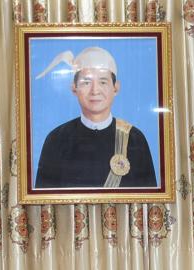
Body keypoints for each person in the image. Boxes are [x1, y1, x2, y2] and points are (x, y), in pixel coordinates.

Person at [33, 46, 157, 190]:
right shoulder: (56, 139)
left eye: (103, 82)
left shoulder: (135, 139)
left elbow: (151, 200)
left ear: (116, 88)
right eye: (86, 82)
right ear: (74, 88)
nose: (95, 91)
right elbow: (44, 200)